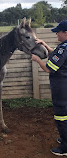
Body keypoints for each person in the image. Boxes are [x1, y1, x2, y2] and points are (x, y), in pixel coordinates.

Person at [31, 20, 67, 156]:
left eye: (58, 32)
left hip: (61, 88)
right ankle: (65, 138)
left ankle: (65, 148)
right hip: (64, 86)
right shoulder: (63, 46)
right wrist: (45, 45)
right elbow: (57, 57)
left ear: (66, 32)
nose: (56, 34)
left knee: (61, 117)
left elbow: (48, 68)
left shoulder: (64, 48)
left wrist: (37, 60)